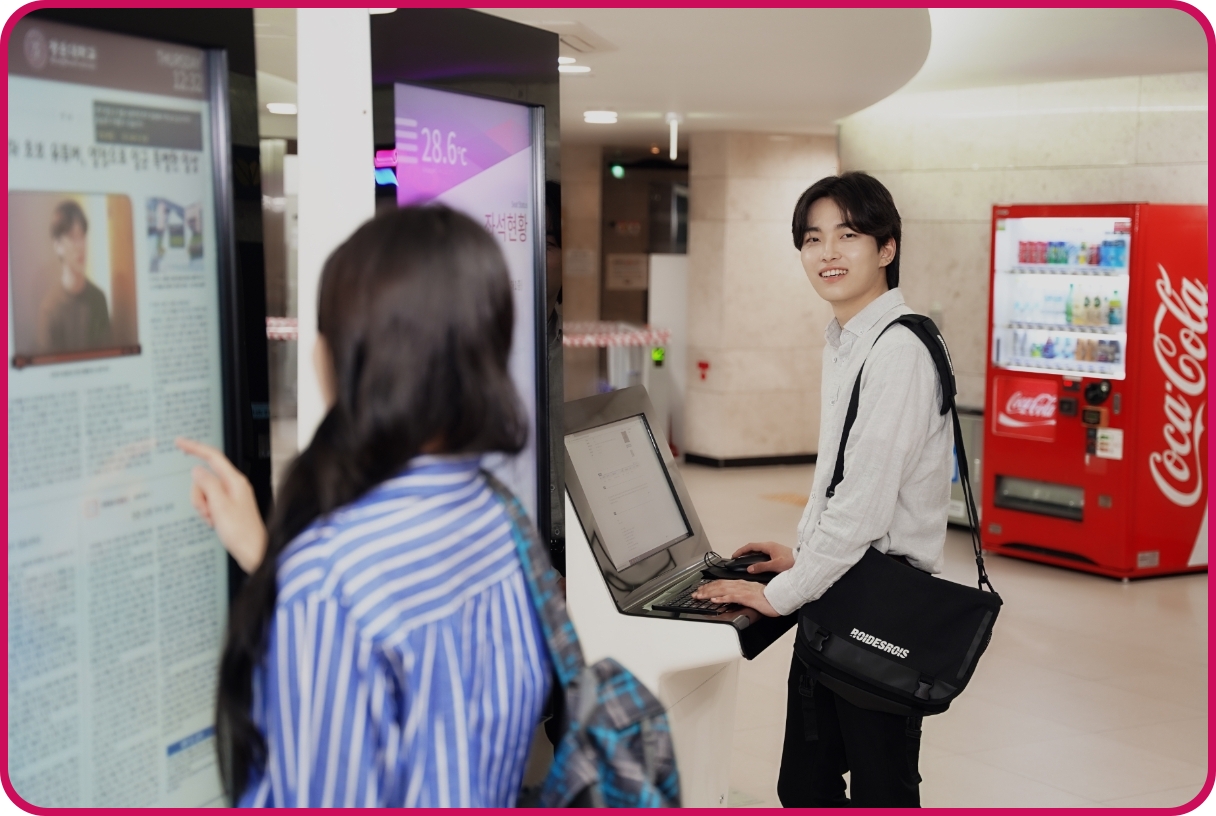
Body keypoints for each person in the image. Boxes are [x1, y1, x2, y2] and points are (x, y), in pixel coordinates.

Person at [177, 205, 551, 807]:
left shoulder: (329, 582)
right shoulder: (500, 519)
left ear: (351, 358)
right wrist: (274, 562)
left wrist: (300, 577)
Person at [692, 172, 953, 807]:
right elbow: (845, 484)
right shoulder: (848, 339)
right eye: (813, 239)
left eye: (848, 235)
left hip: (878, 609)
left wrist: (777, 595)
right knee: (806, 785)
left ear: (887, 248)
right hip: (840, 590)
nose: (827, 253)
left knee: (881, 792)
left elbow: (863, 509)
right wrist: (802, 557)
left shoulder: (897, 351)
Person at [38, 200, 111, 354]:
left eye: (82, 236)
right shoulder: (50, 310)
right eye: (72, 237)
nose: (80, 246)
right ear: (58, 246)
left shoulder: (99, 299)